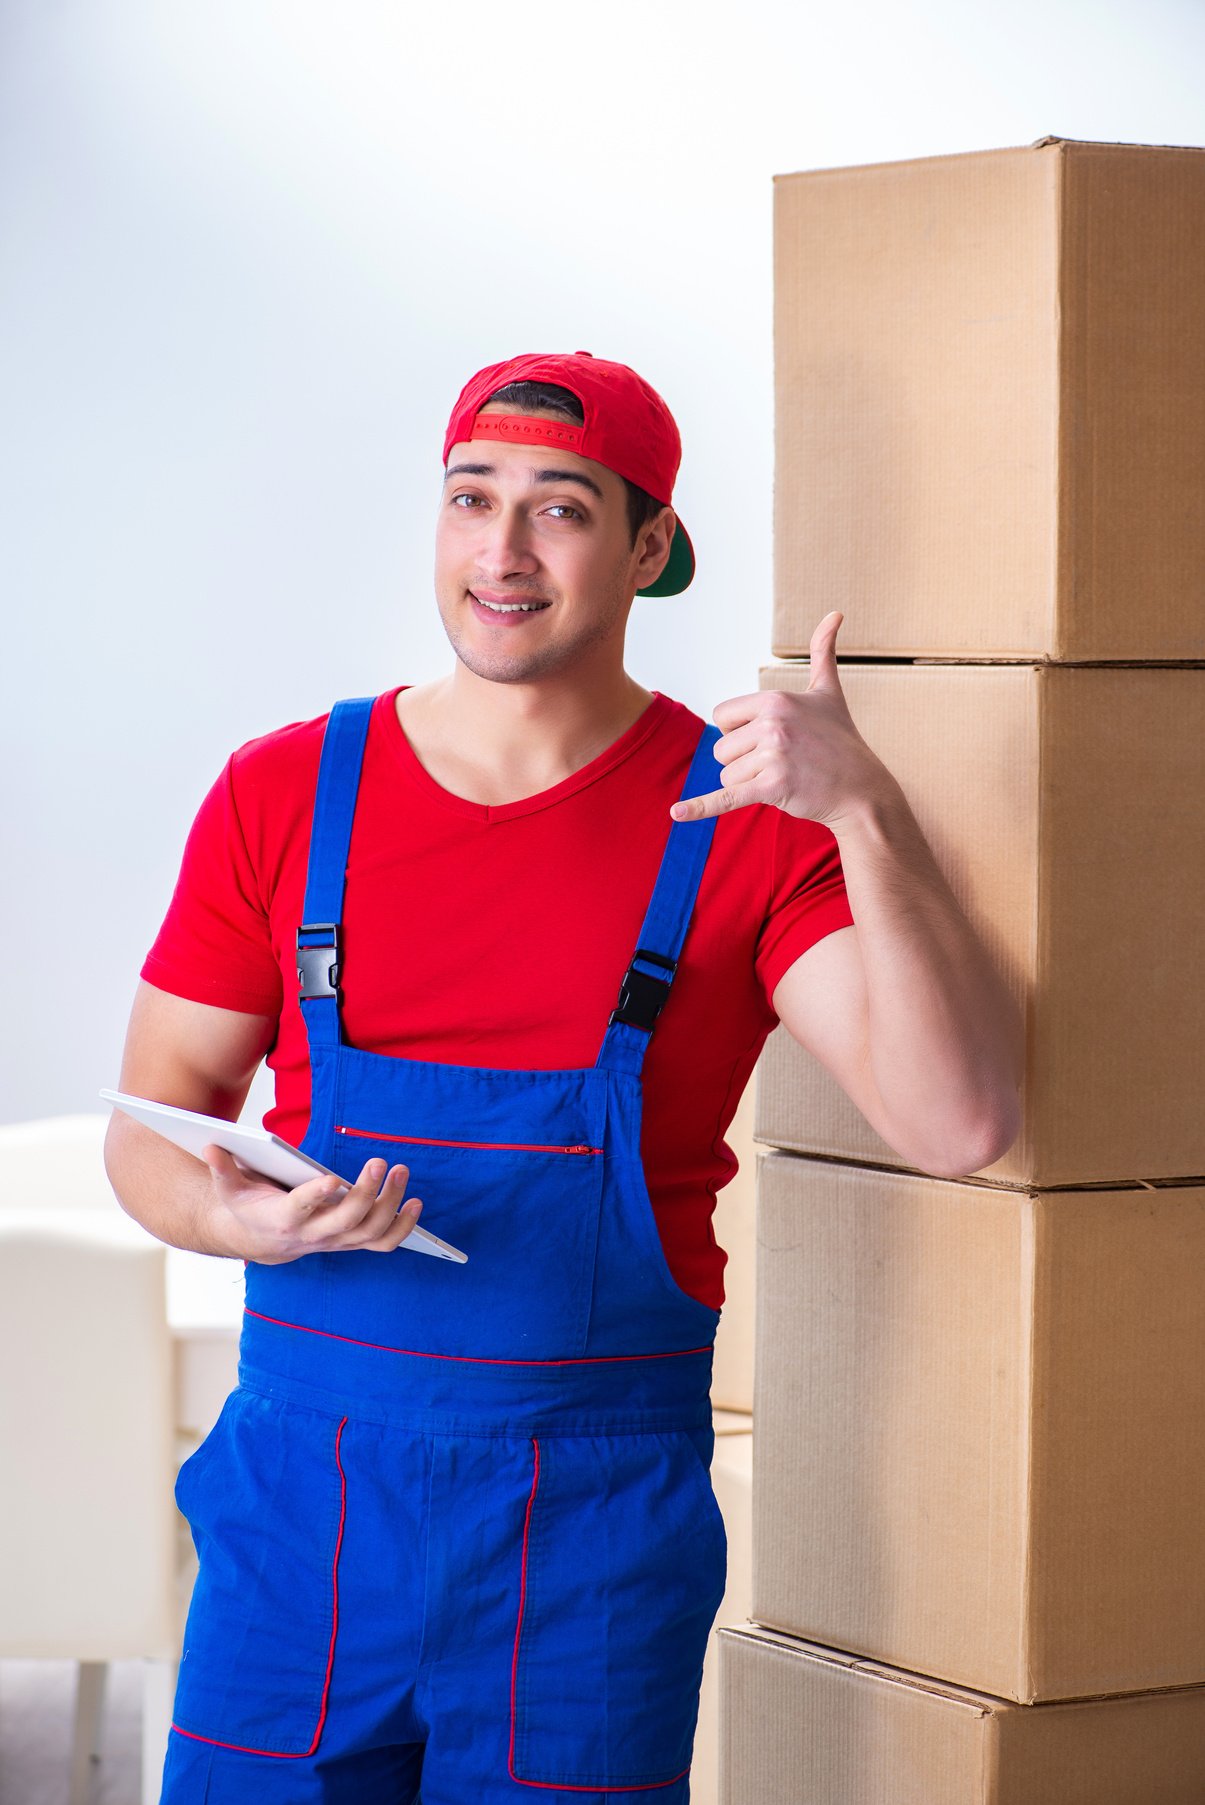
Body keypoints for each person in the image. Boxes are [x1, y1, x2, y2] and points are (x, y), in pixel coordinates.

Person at [105, 349, 1023, 1805]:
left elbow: (960, 1119)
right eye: (472, 500)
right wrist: (237, 1222)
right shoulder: (284, 791)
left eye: (562, 509)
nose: (503, 552)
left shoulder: (745, 822)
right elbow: (152, 1122)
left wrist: (863, 807)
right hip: (299, 1524)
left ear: (650, 546)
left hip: (584, 1548)